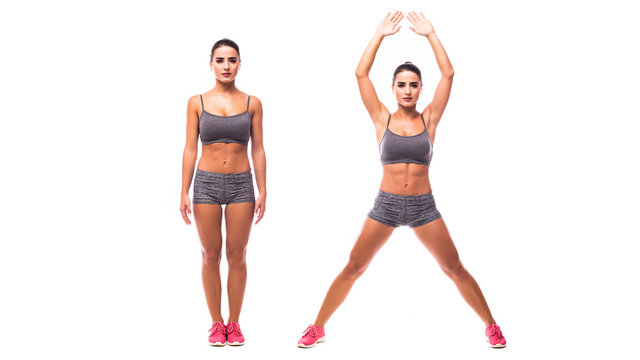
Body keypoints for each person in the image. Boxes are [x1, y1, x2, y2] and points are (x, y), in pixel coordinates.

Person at [297, 11, 506, 349]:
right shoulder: (382, 118)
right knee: (354, 266)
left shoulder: (430, 119)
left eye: (413, 84)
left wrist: (431, 34)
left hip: (424, 207)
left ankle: (492, 326)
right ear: (392, 89)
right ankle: (317, 327)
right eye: (401, 84)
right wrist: (379, 34)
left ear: (421, 88)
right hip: (387, 205)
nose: (407, 90)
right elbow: (360, 73)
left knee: (454, 267)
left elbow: (449, 74)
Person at [180, 38, 266, 347]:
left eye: (231, 60)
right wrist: (184, 191)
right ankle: (217, 323)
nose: (226, 66)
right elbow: (190, 148)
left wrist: (263, 189)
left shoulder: (252, 103)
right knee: (210, 255)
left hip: (242, 183)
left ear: (240, 64)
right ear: (211, 64)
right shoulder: (196, 102)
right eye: (220, 60)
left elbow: (258, 149)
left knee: (238, 255)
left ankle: (235, 323)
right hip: (206, 184)